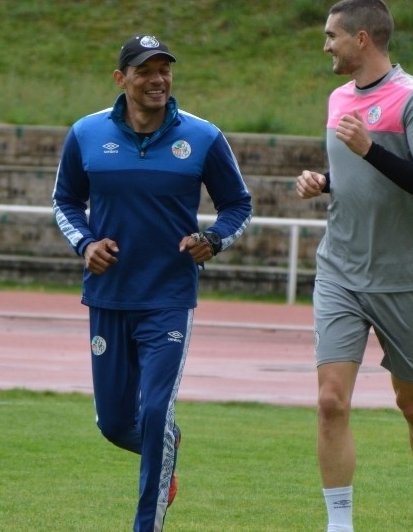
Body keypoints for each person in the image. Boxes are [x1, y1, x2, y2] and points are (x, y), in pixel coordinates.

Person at [52, 34, 252, 532]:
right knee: (116, 424)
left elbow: (238, 205)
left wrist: (215, 240)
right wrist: (86, 244)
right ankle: (165, 451)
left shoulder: (203, 137)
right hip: (109, 295)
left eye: (164, 69)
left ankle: (148, 523)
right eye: (145, 70)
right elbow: (65, 202)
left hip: (169, 296)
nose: (157, 79)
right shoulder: (86, 133)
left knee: (158, 409)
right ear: (122, 79)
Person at [295, 0, 413, 532]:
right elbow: (360, 178)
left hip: (403, 277)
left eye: (331, 36)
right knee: (330, 401)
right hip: (339, 270)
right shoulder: (338, 98)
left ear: (362, 39)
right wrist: (326, 182)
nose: (325, 46)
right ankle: (340, 525)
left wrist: (370, 151)